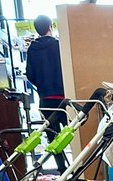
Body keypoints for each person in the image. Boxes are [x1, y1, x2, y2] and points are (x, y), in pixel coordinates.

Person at [24, 15, 68, 170]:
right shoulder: (59, 45)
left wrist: (42, 87)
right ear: (51, 26)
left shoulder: (32, 49)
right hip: (64, 98)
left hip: (46, 100)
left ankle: (62, 170)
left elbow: (29, 74)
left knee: (54, 138)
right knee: (73, 134)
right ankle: (78, 169)